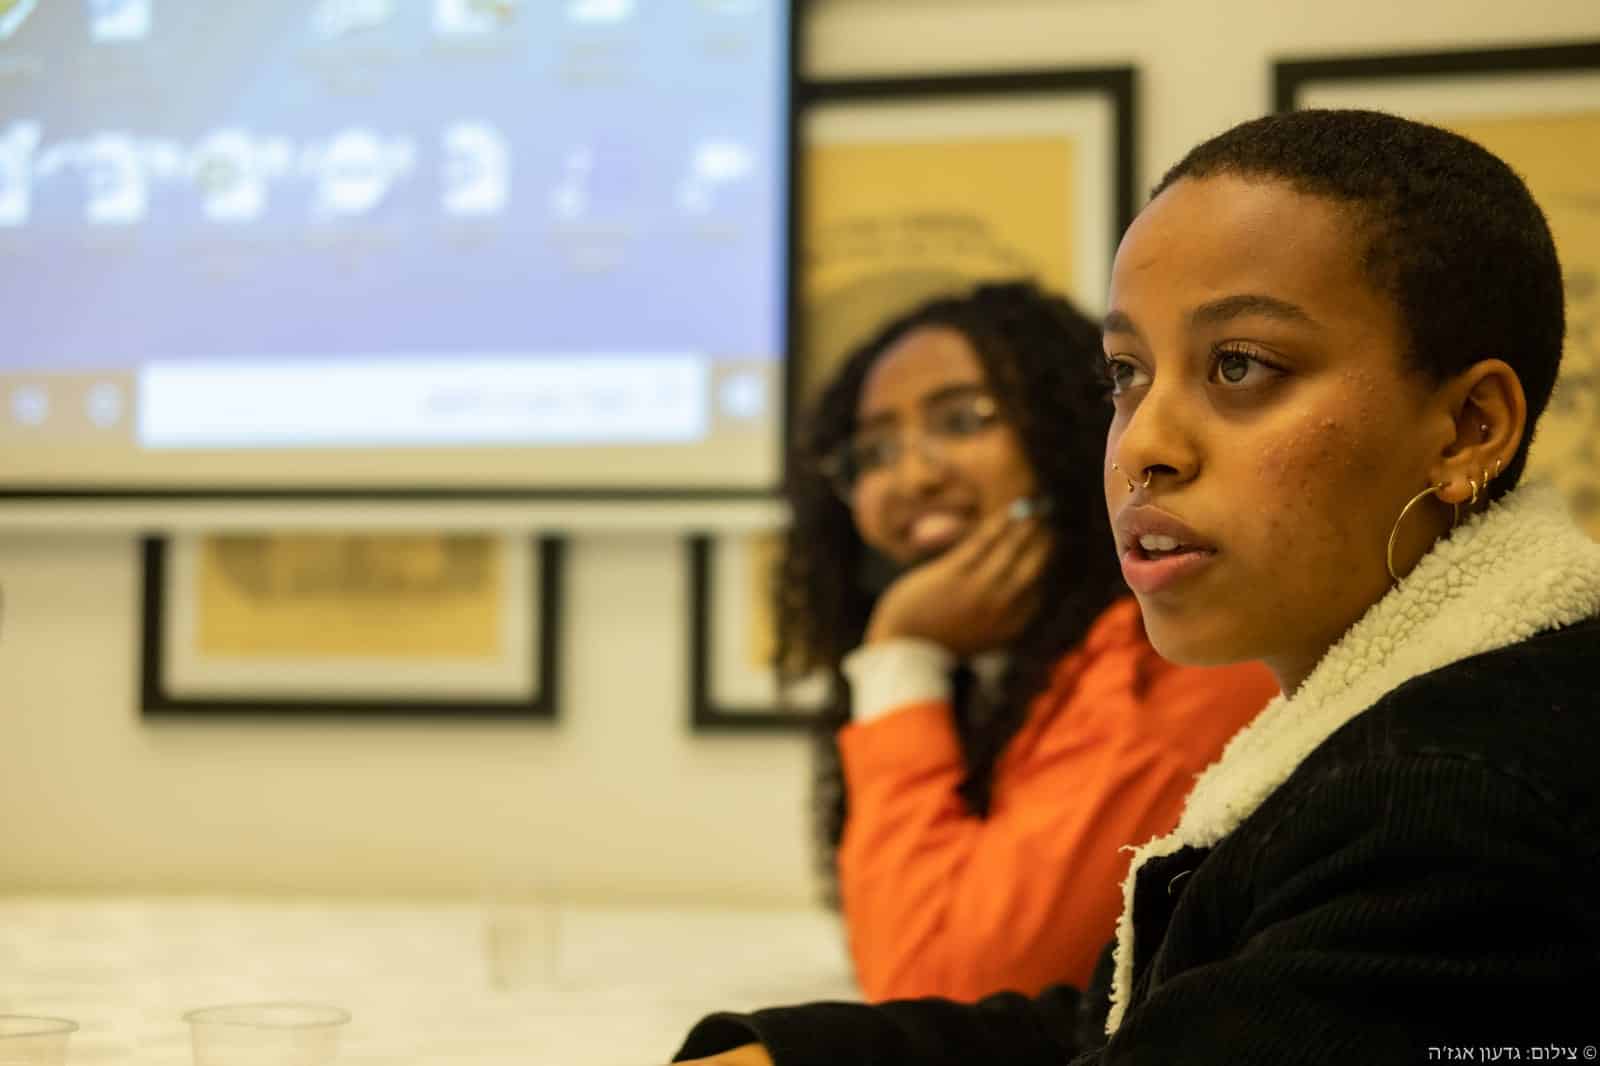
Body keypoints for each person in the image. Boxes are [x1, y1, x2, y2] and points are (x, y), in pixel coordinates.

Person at [671, 110, 1600, 1064]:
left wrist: (898, 656)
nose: (1143, 444)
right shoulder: (1377, 716)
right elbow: (1121, 1020)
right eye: (1126, 375)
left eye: (1239, 366)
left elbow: (953, 964)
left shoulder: (1454, 803)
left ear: (1468, 429)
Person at [774, 281, 1277, 1002]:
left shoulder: (1174, 658)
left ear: (1064, 436)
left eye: (962, 420)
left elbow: (940, 988)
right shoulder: (990, 670)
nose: (911, 476)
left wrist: (898, 654)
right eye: (874, 452)